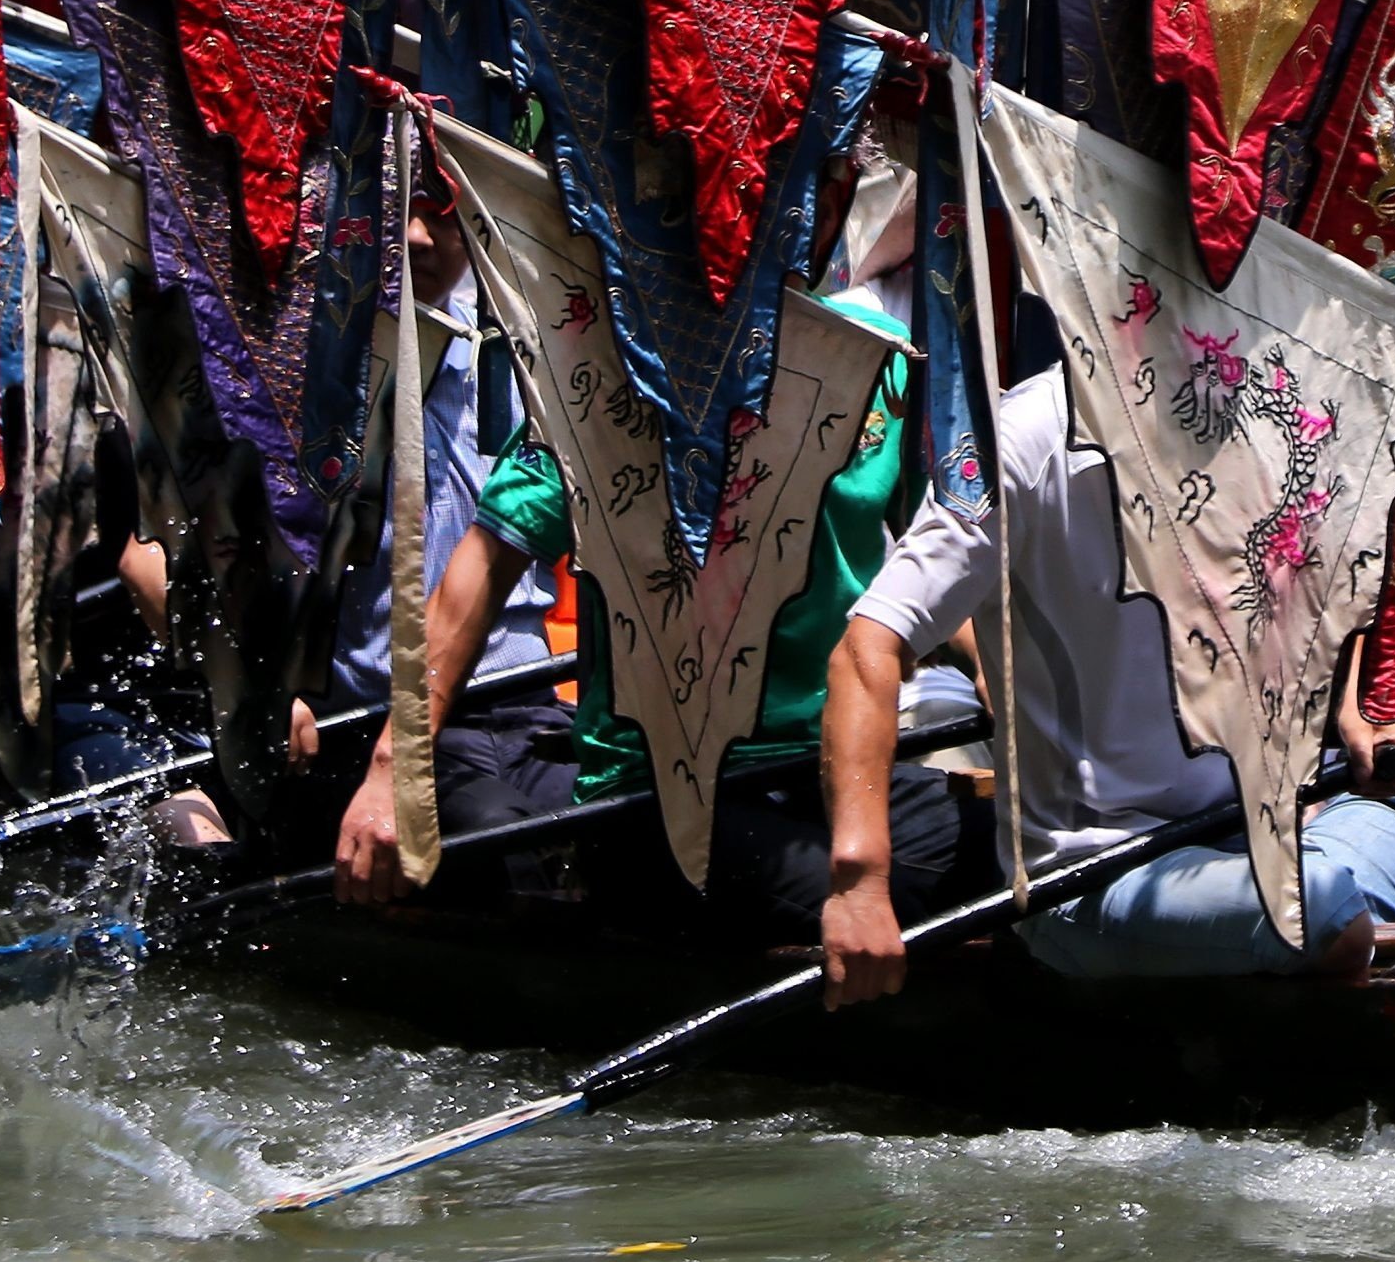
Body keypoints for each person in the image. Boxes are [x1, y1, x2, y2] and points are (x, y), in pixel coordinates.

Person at [816, 354, 1395, 1007]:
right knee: (1324, 909)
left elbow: (1326, 607)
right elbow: (866, 651)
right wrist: (860, 885)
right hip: (1097, 874)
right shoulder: (1022, 437)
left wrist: (1356, 710)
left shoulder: (1267, 410)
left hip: (1260, 839)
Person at [351, 285, 990, 946]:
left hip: (825, 763)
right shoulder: (598, 363)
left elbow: (933, 562)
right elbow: (479, 572)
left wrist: (990, 662)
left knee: (1008, 852)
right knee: (912, 888)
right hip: (658, 794)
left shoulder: (881, 359)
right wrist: (393, 771)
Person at [328, 183, 571, 899]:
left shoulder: (533, 359)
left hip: (526, 705)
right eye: (396, 204)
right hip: (374, 718)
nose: (419, 236)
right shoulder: (311, 363)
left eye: (442, 213)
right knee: (506, 852)